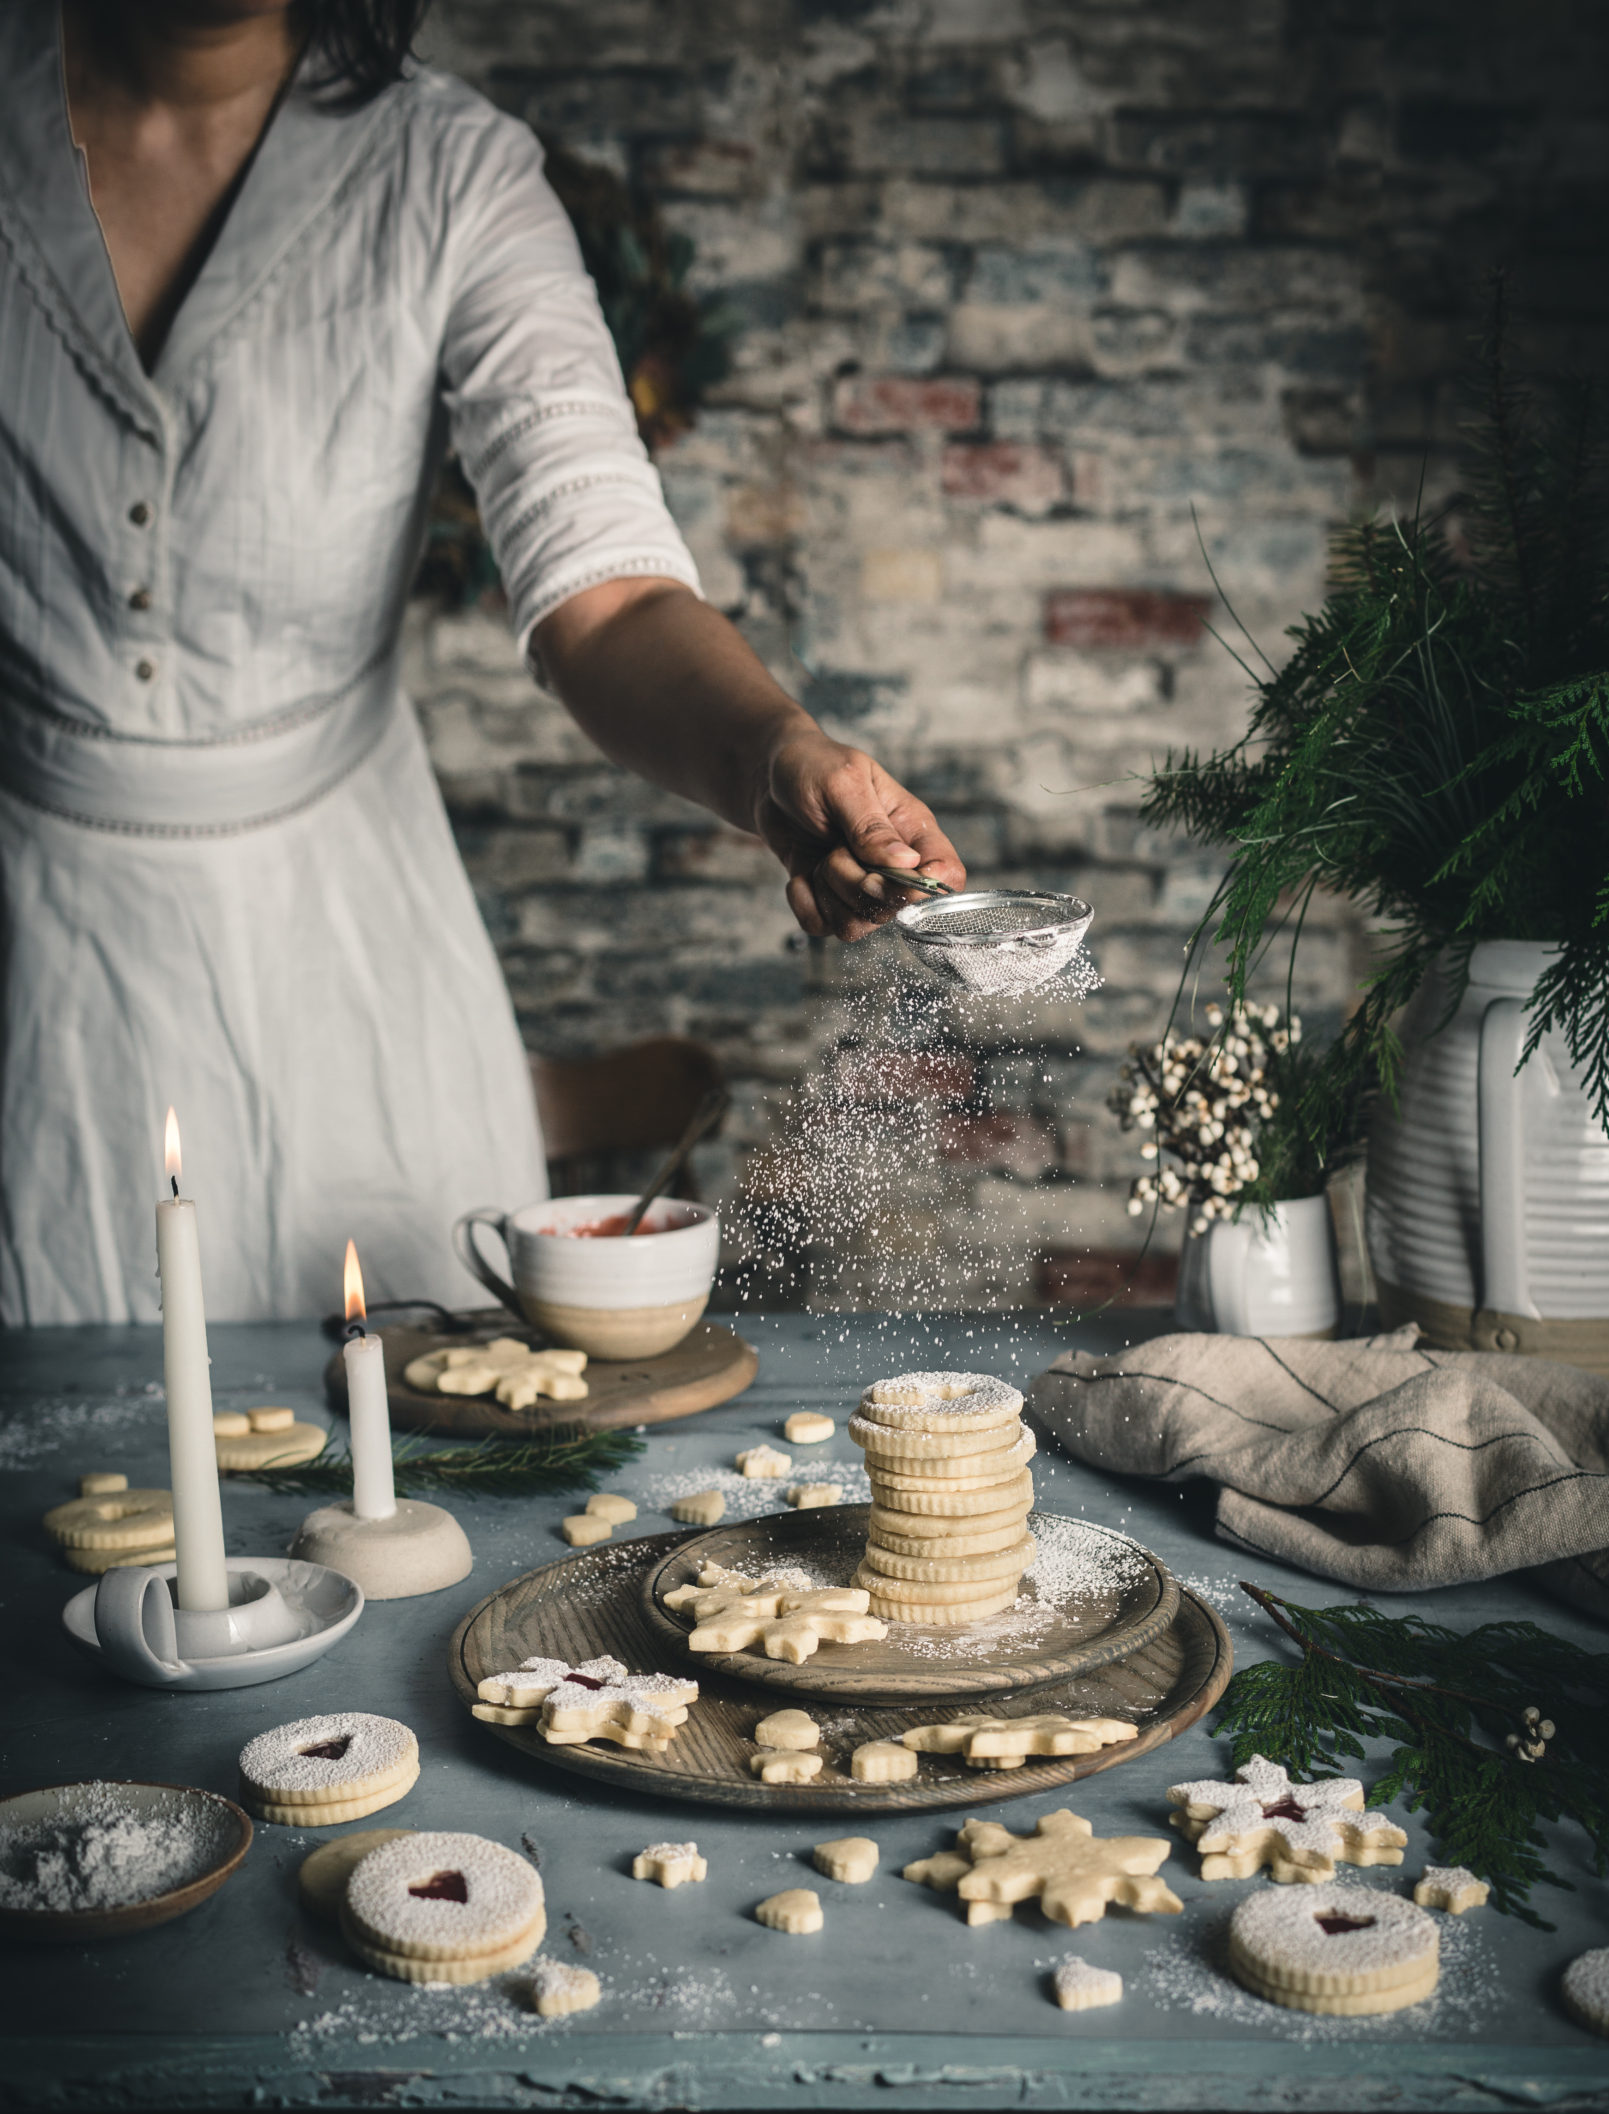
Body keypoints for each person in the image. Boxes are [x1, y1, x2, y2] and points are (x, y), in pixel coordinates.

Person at [0, 0, 965, 1323]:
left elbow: (607, 596)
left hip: (352, 964)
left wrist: (772, 754)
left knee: (417, 1449)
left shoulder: (452, 173)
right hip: (36, 958)